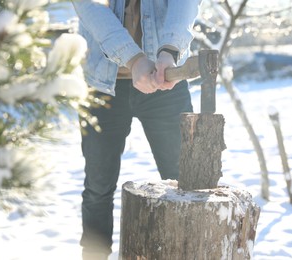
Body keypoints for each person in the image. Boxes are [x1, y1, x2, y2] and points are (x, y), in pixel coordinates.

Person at [71, 0, 202, 259]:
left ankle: (188, 253)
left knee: (186, 182)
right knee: (98, 186)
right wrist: (133, 58)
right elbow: (91, 7)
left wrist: (169, 50)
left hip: (166, 79)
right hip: (102, 85)